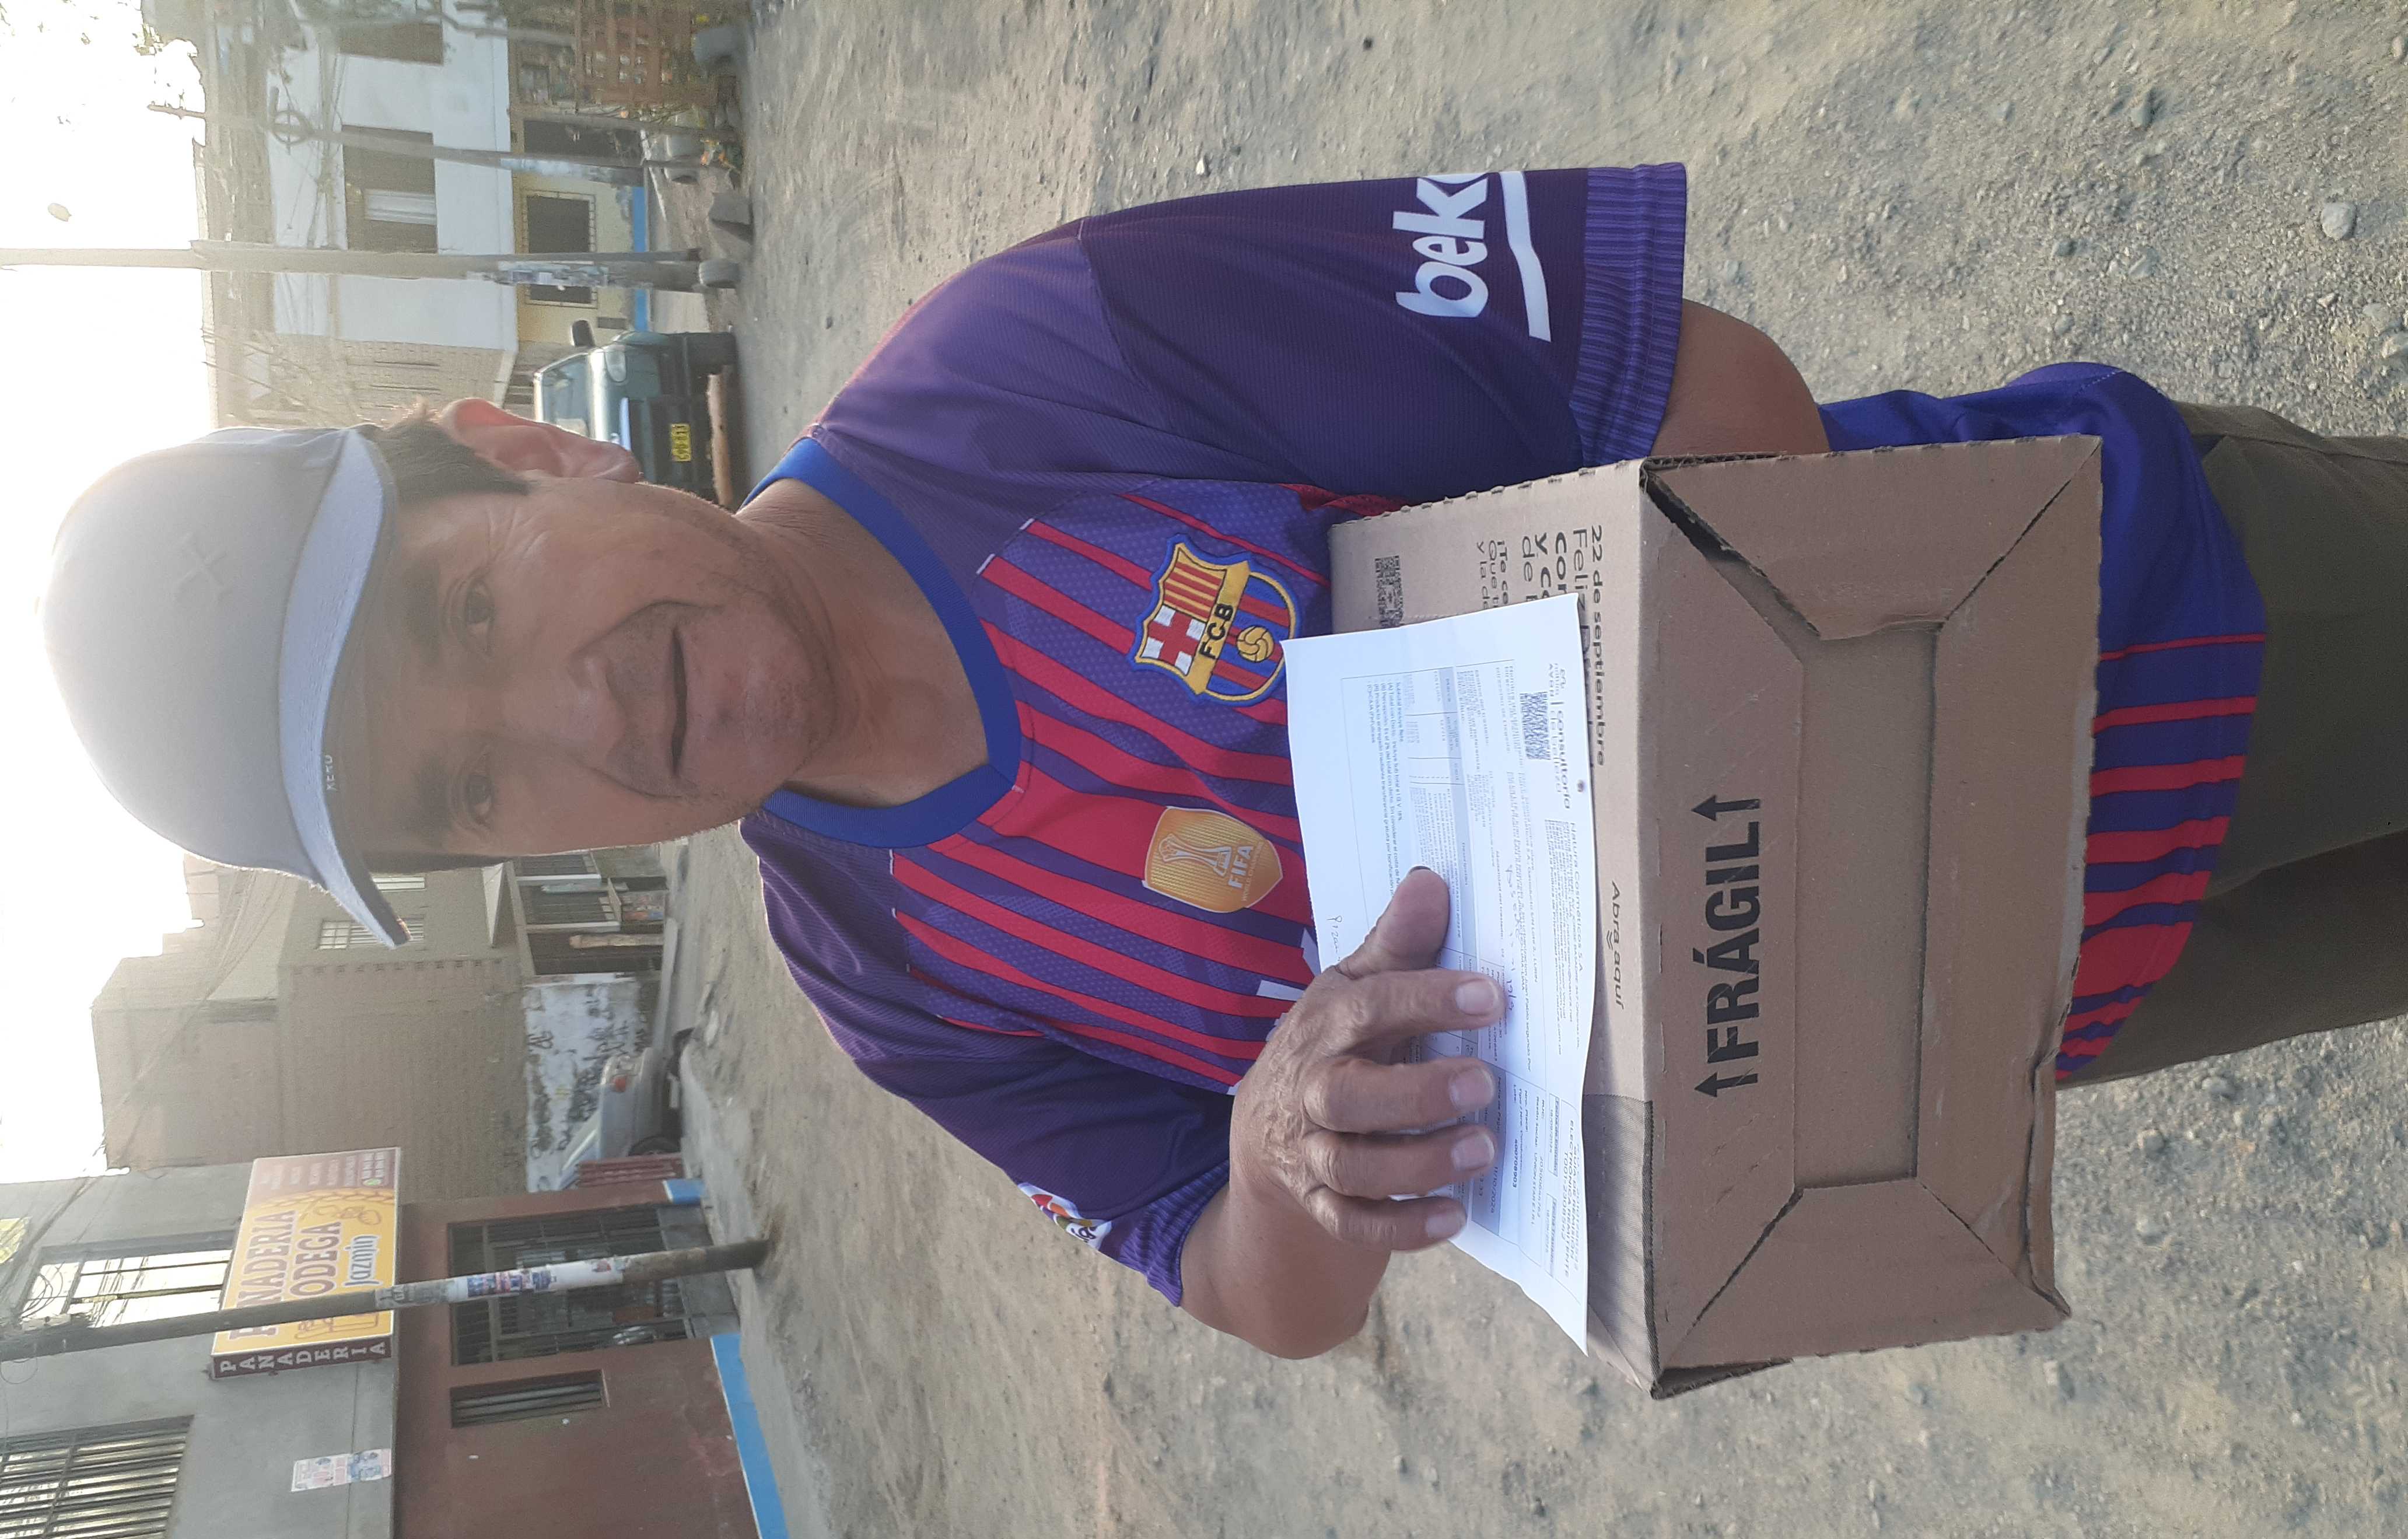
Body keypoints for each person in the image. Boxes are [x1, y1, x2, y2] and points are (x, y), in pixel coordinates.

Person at [41, 165, 2390, 1360]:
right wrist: (1287, 1165)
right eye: (468, 798)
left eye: (465, 618)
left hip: (2154, 629)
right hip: (2016, 1008)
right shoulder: (884, 970)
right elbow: (1248, 1282)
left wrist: (1682, 827)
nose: (569, 725)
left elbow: (1710, 392)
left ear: (525, 450)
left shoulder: (1046, 356)